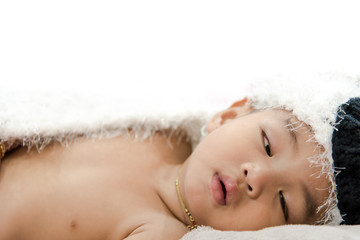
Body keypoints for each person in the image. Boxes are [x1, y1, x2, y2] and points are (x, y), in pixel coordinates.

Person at [0, 97, 342, 240]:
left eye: (284, 202)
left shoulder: (159, 229)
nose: (258, 178)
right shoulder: (165, 132)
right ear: (229, 115)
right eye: (267, 145)